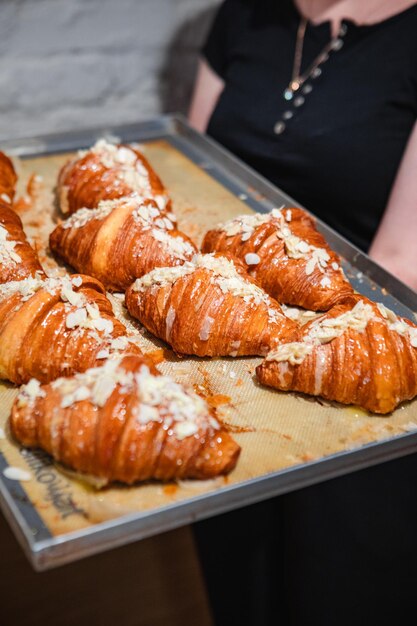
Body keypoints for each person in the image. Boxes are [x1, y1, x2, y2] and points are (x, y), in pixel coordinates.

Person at [188, 1, 417, 625]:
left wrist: (282, 343)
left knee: (337, 585)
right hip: (220, 336)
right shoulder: (244, 12)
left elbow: (402, 262)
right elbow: (194, 166)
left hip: (363, 349)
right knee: (239, 570)